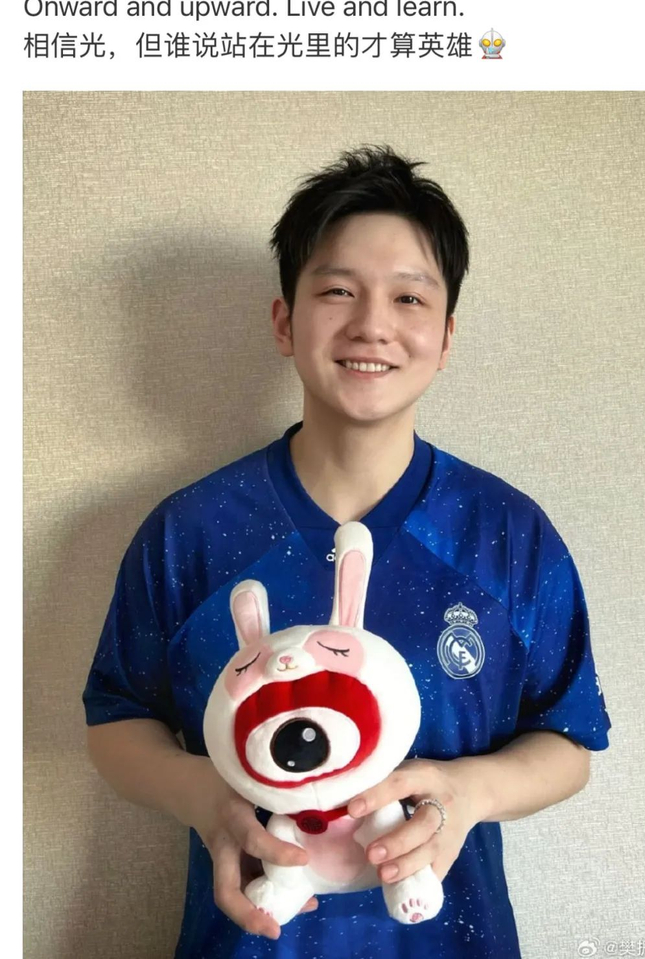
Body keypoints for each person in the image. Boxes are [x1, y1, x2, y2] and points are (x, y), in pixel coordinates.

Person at [83, 146, 611, 958]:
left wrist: (468, 792)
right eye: (337, 291)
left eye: (409, 297)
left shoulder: (508, 533)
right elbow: (116, 722)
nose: (372, 325)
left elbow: (568, 741)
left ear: (446, 336)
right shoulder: (190, 529)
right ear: (284, 321)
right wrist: (204, 797)